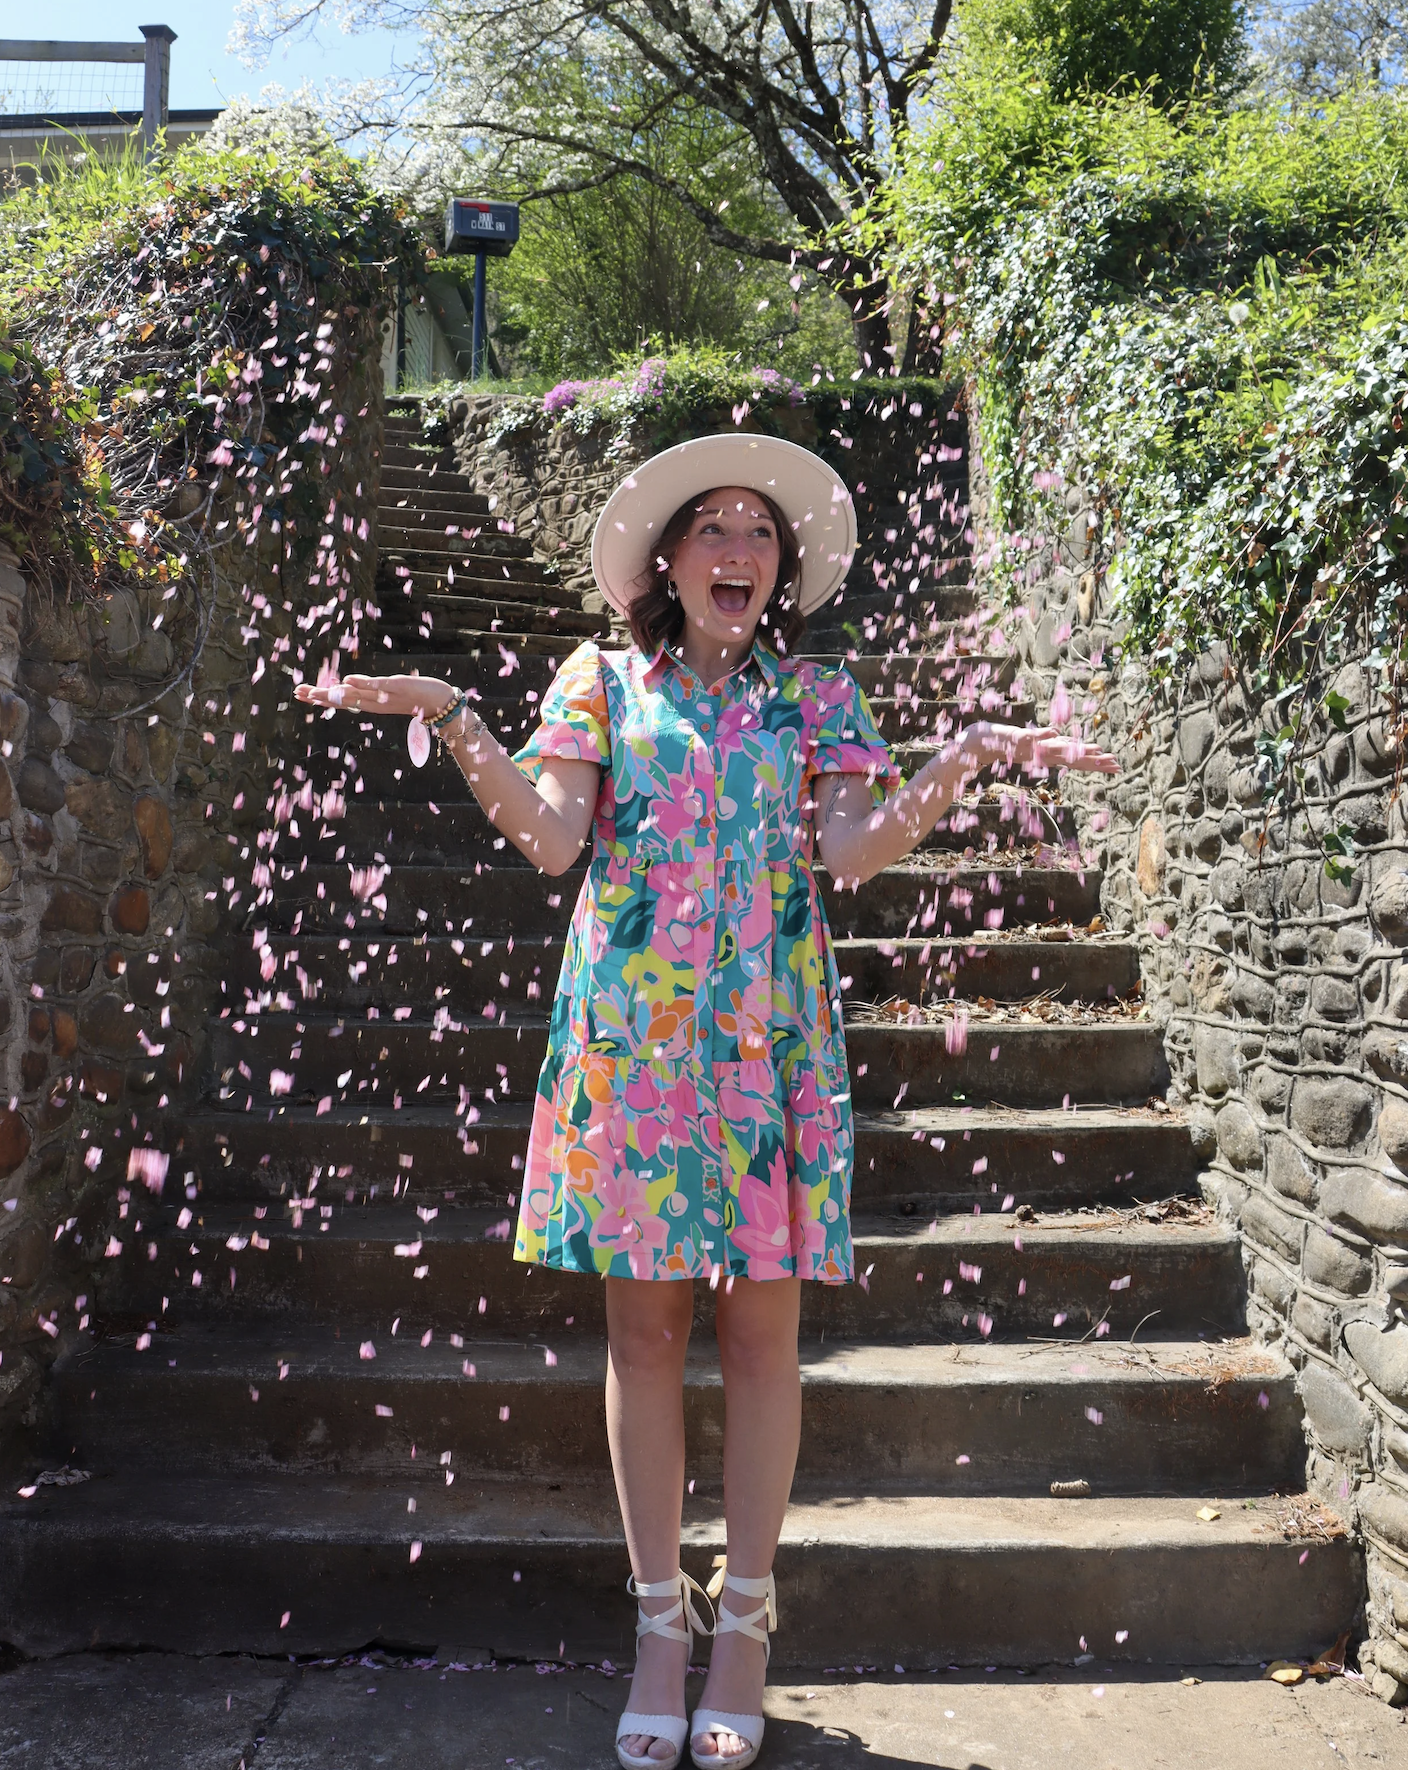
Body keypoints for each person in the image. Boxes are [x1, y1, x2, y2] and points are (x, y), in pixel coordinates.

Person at [296, 432, 1118, 1770]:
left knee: (759, 1341)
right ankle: (659, 1631)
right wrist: (451, 717)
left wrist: (957, 758)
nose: (740, 550)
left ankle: (744, 1622)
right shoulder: (603, 684)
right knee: (641, 1336)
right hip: (633, 1044)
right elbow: (553, 836)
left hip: (767, 1046)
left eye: (759, 534)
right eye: (715, 528)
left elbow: (854, 849)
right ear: (668, 559)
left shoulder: (821, 693)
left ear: (775, 569)